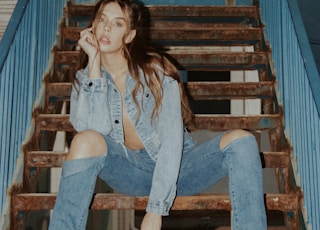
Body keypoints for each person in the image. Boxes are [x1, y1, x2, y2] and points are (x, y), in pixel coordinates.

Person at [49, 0, 267, 229]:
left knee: (243, 140)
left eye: (117, 24)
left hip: (180, 168)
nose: (106, 28)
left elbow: (172, 140)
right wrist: (94, 65)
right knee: (84, 140)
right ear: (92, 25)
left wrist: (155, 209)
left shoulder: (154, 72)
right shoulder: (85, 81)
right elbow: (94, 133)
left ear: (130, 35)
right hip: (131, 171)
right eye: (101, 19)